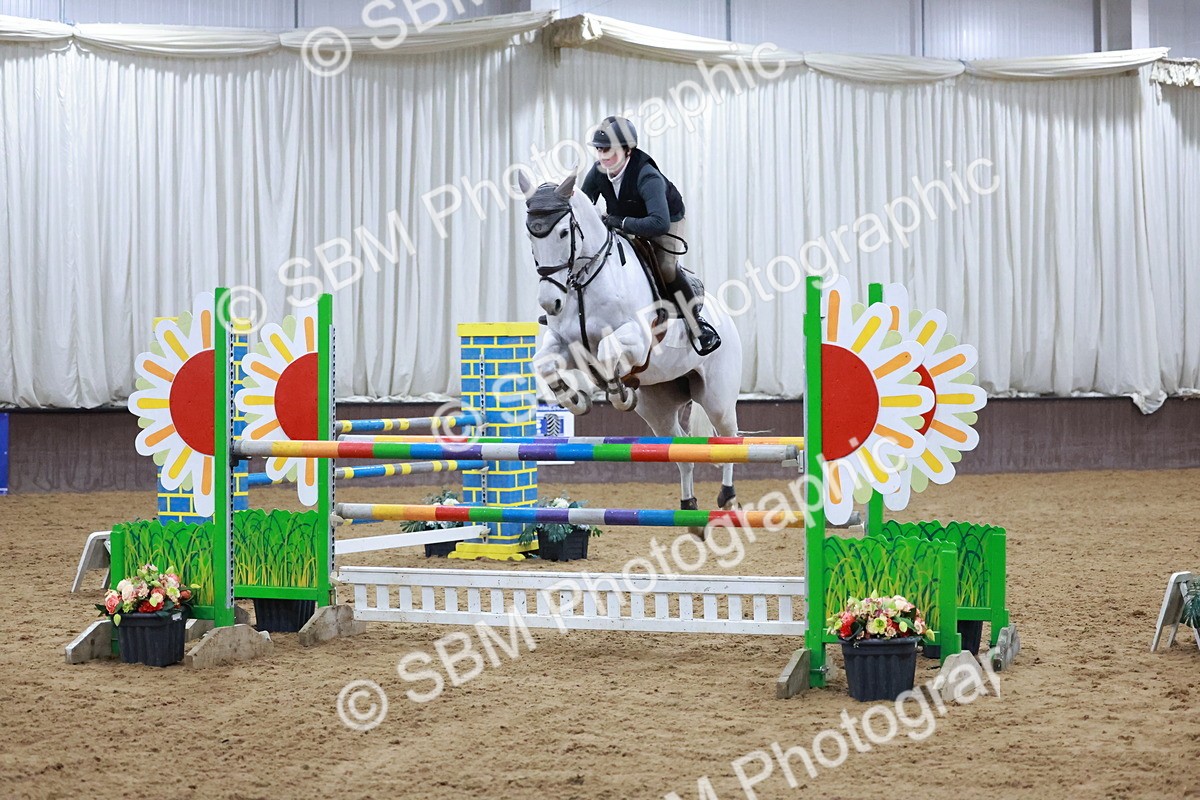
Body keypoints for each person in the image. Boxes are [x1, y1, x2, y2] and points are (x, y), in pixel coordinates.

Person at [579, 116, 721, 356]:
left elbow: (658, 222)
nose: (603, 157)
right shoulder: (598, 172)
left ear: (627, 150)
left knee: (665, 266)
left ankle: (697, 325)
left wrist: (620, 222)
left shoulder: (647, 175)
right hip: (624, 219)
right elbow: (584, 206)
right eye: (600, 150)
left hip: (665, 220)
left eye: (609, 150)